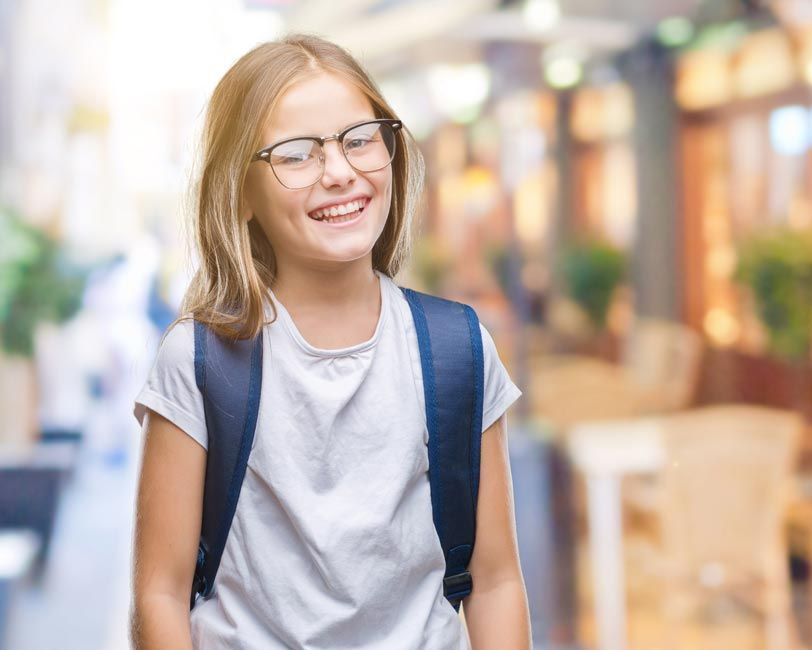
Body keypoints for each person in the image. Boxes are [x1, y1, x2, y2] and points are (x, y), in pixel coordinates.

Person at [129, 34, 530, 649]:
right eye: (296, 155)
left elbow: (495, 580)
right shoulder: (201, 361)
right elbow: (159, 592)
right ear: (241, 193)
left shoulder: (458, 350)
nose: (340, 172)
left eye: (360, 139)